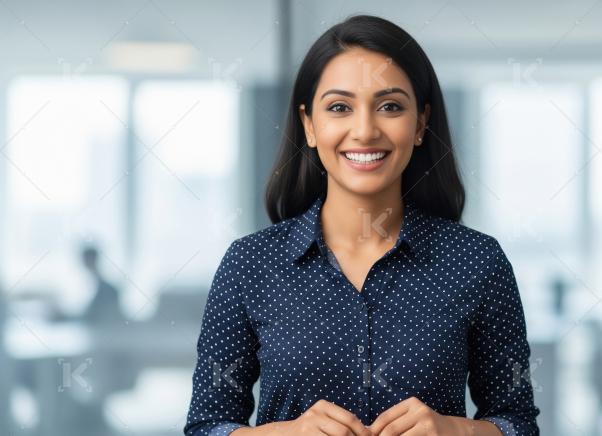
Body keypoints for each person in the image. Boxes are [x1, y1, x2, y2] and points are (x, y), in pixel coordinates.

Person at [183, 14, 540, 436]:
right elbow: (206, 425)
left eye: (390, 106)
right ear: (310, 125)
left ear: (421, 123)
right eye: (339, 107)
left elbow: (516, 422)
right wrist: (282, 433)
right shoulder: (250, 264)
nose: (365, 130)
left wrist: (455, 431)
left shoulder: (477, 262)